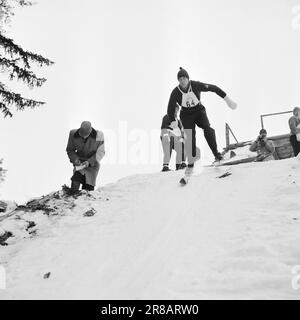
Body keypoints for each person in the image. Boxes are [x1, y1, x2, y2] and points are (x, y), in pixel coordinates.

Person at [167, 67, 237, 171]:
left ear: (188, 78)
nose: (182, 81)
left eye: (184, 78)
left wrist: (227, 99)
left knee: (207, 128)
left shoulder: (195, 85)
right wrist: (175, 125)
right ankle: (192, 159)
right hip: (186, 115)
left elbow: (214, 88)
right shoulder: (175, 92)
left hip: (199, 111)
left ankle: (217, 155)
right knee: (189, 136)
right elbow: (170, 109)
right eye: (180, 79)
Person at [66, 121, 105, 193]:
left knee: (87, 191)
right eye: (82, 134)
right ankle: (71, 198)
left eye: (86, 135)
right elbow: (70, 150)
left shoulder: (99, 135)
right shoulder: (73, 133)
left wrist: (89, 162)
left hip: (92, 164)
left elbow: (101, 152)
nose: (83, 136)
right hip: (79, 163)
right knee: (75, 182)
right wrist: (75, 159)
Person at [160, 105, 186, 171]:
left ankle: (180, 165)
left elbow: (181, 131)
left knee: (181, 146)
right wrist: (166, 136)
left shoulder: (178, 120)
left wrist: (182, 139)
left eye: (177, 110)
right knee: (168, 149)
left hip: (175, 137)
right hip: (167, 135)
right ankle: (165, 167)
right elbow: (164, 127)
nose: (176, 111)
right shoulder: (167, 116)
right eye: (175, 109)